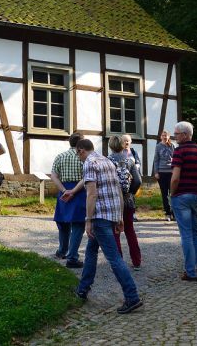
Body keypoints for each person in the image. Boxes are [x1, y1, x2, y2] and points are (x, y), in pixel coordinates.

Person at [74, 139, 143, 315]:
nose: (78, 157)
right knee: (91, 250)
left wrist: (88, 220)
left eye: (77, 154)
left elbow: (91, 194)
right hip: (112, 213)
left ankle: (132, 296)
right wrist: (119, 216)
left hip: (99, 217)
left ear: (81, 150)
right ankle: (83, 288)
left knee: (114, 258)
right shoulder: (106, 160)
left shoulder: (89, 163)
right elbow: (118, 190)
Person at [170, 121, 197, 281]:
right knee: (195, 233)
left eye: (176, 134)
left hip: (181, 195)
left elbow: (175, 177)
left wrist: (172, 193)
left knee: (186, 235)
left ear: (185, 135)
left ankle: (190, 272)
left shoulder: (179, 151)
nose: (174, 137)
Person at [50, 132, 87, 268]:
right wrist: (74, 191)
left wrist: (64, 190)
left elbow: (54, 176)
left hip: (64, 191)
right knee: (78, 225)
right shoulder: (83, 157)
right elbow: (86, 177)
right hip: (80, 192)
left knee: (63, 223)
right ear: (81, 143)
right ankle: (72, 257)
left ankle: (62, 251)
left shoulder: (60, 156)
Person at [108, 135, 142, 271]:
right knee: (130, 230)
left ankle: (119, 262)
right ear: (123, 145)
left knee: (115, 231)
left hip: (113, 201)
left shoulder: (107, 161)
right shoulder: (130, 161)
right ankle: (137, 261)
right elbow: (138, 181)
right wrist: (130, 193)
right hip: (128, 200)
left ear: (110, 146)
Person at [152, 130, 175, 220]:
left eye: (166, 135)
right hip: (162, 173)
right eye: (163, 135)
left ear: (169, 136)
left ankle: (174, 213)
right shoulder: (158, 146)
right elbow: (156, 160)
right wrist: (156, 172)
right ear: (161, 137)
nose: (165, 137)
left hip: (171, 172)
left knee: (173, 193)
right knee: (164, 194)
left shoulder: (172, 146)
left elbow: (175, 158)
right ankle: (167, 213)